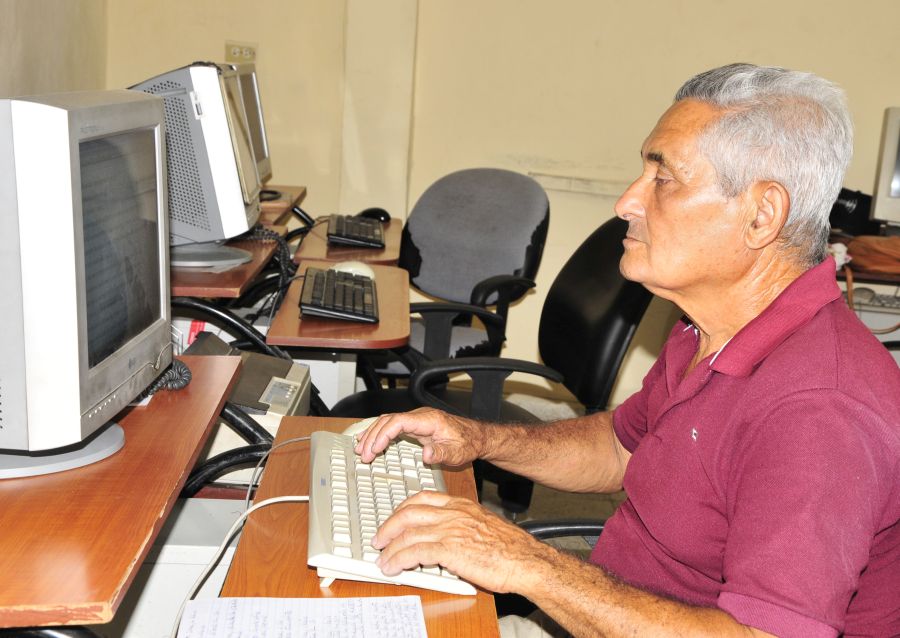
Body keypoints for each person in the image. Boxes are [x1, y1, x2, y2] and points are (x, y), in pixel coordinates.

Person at [353, 63, 900, 638]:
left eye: (663, 180)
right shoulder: (708, 325)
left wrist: (526, 563)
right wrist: (479, 439)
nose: (626, 202)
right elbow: (621, 446)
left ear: (762, 215)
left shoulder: (820, 411)